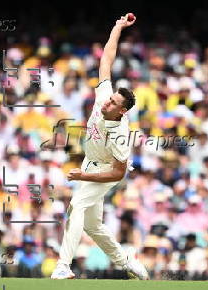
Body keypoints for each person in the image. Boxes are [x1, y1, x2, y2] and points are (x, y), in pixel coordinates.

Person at [51, 14, 149, 280]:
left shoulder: (120, 135)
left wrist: (83, 176)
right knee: (93, 226)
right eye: (111, 98)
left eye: (114, 103)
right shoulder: (104, 95)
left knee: (76, 208)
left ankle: (63, 266)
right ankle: (128, 262)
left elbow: (118, 174)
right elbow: (107, 58)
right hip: (89, 163)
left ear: (122, 111)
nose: (107, 103)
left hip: (104, 170)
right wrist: (117, 27)